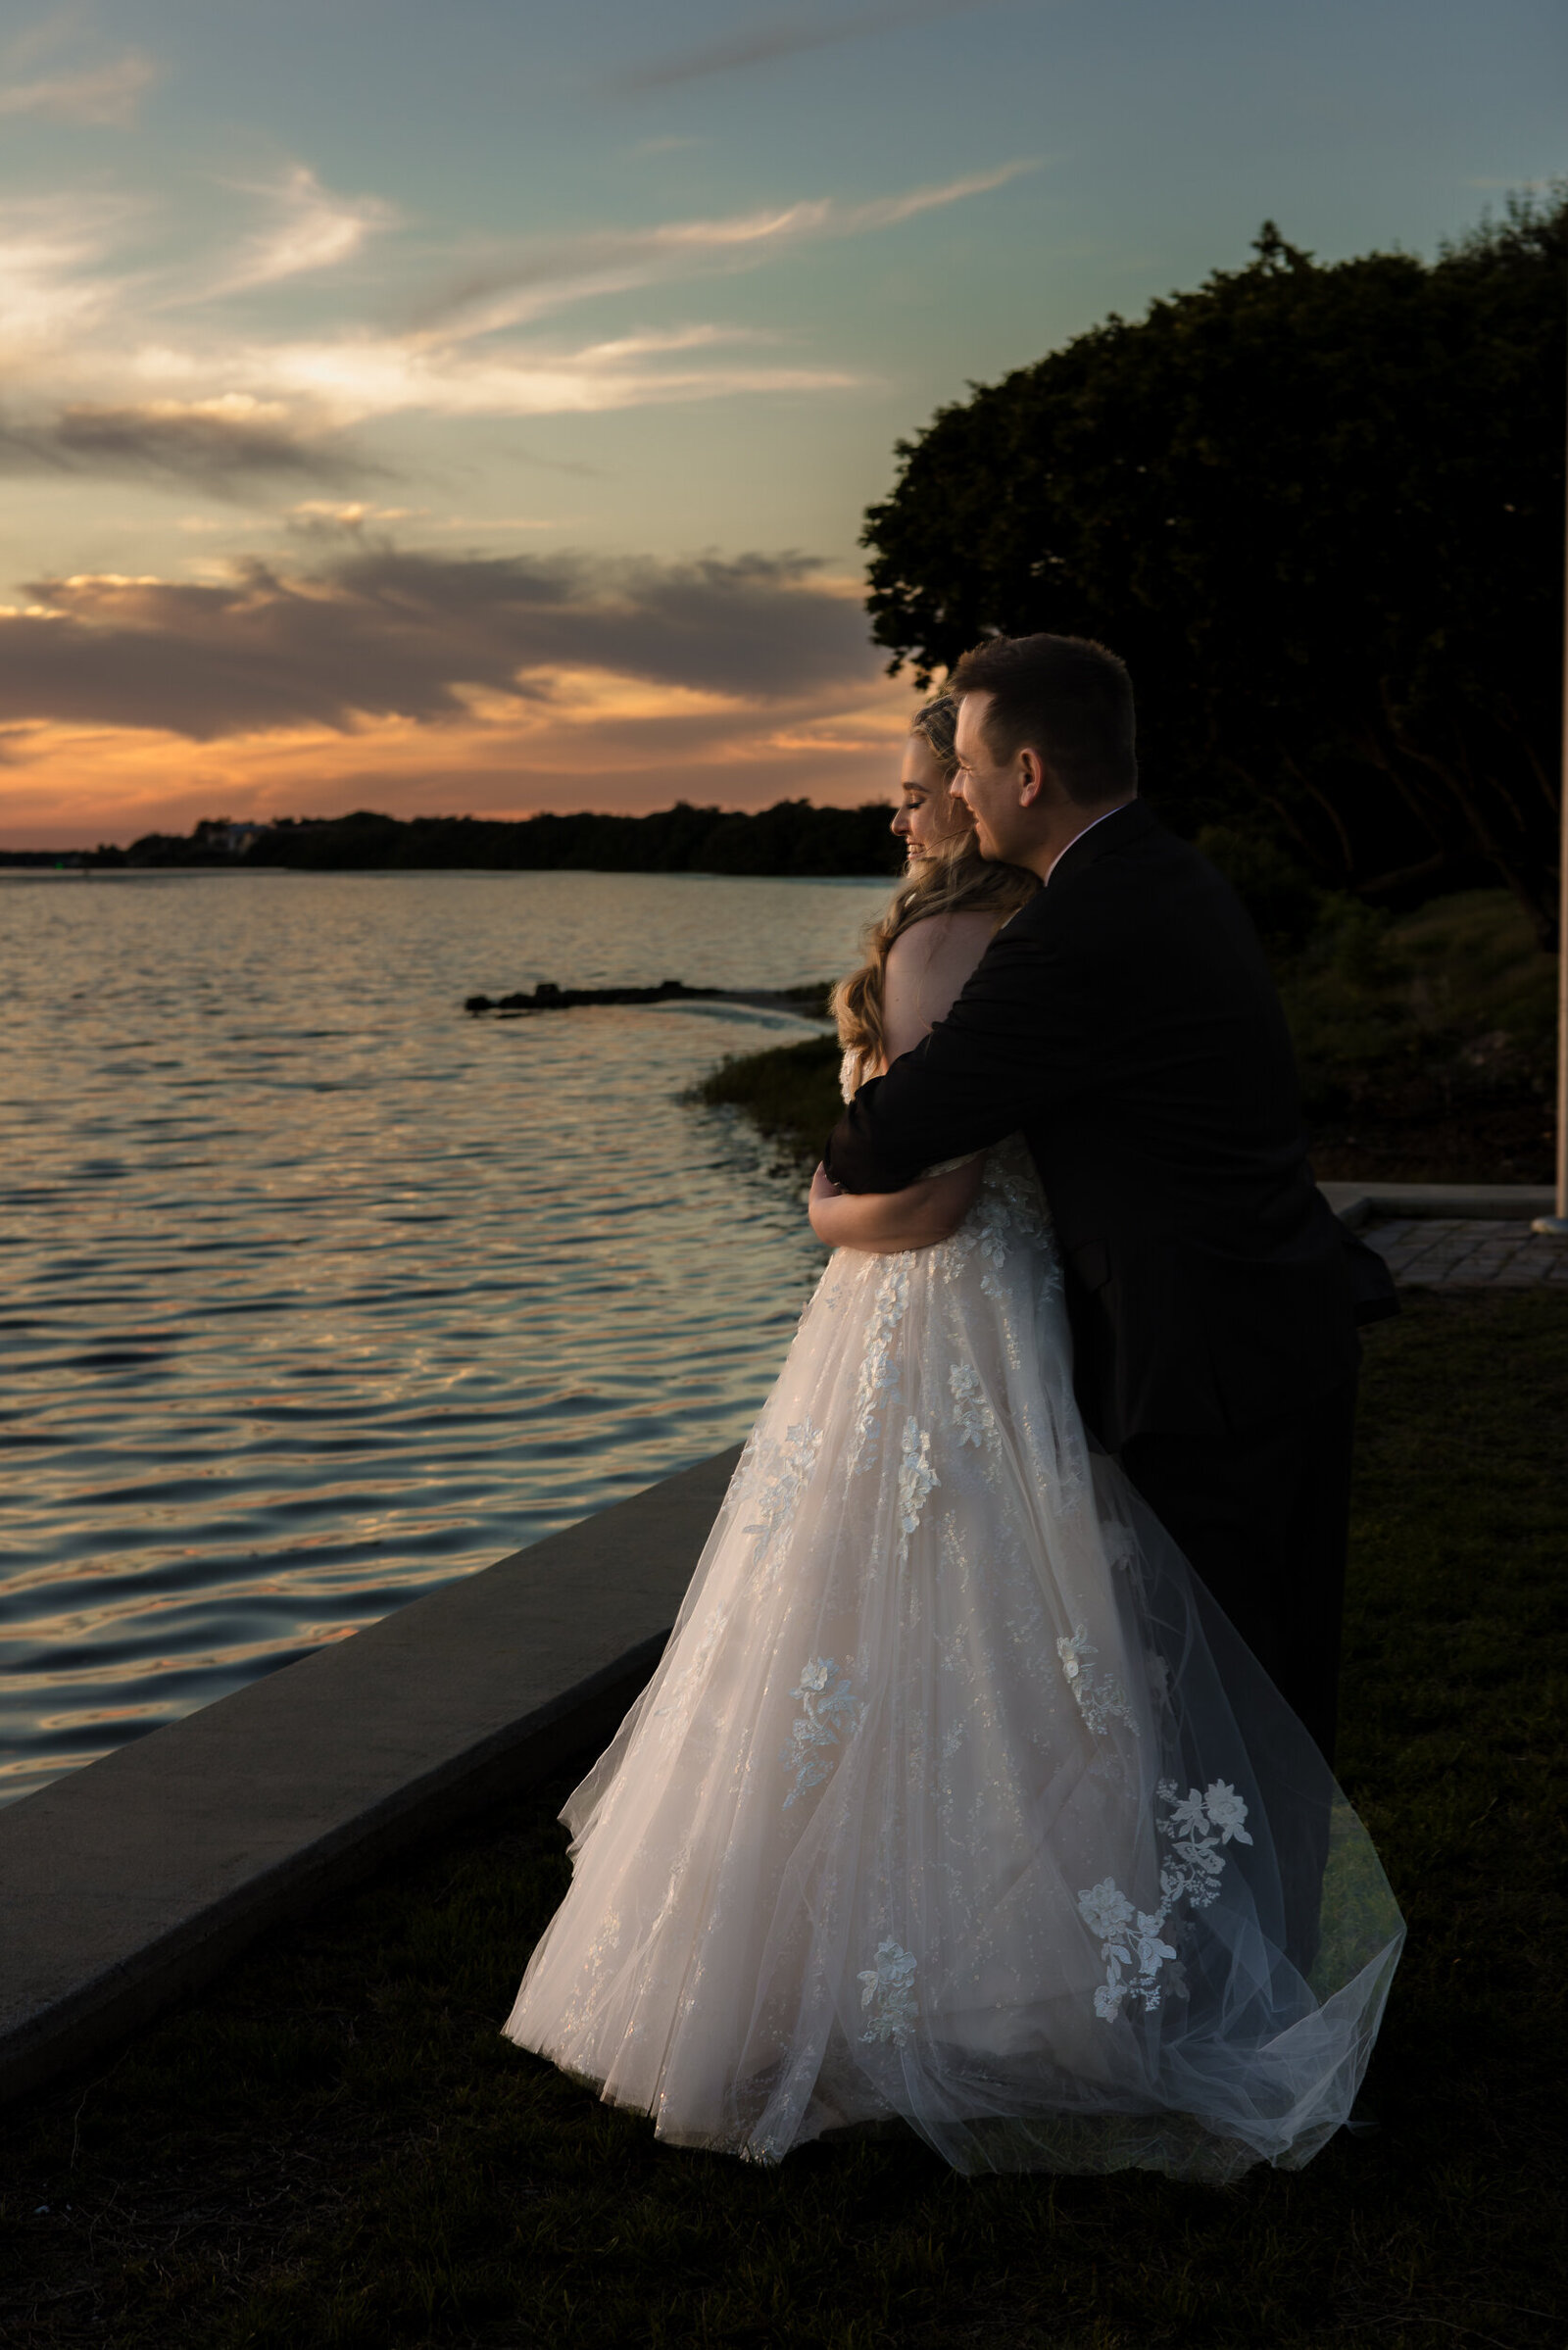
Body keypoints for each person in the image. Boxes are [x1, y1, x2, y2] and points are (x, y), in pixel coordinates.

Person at [503, 690, 1403, 2180]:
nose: (920, 813)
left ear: (1008, 776)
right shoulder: (1123, 890)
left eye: (931, 785)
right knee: (1112, 1660)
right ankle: (1210, 1963)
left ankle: (1143, 1986)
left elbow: (917, 1191)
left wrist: (821, 1200)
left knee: (1006, 1647)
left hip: (983, 1332)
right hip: (1107, 1330)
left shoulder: (983, 942)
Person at [824, 635, 1397, 1770]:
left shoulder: (1073, 932)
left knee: (1225, 1721)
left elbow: (891, 1132)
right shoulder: (1170, 873)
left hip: (1204, 1369)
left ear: (1027, 774)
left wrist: (836, 1156)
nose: (961, 799)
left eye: (971, 773)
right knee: (1267, 1706)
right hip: (1275, 1327)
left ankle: (1239, 1943)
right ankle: (1258, 1936)